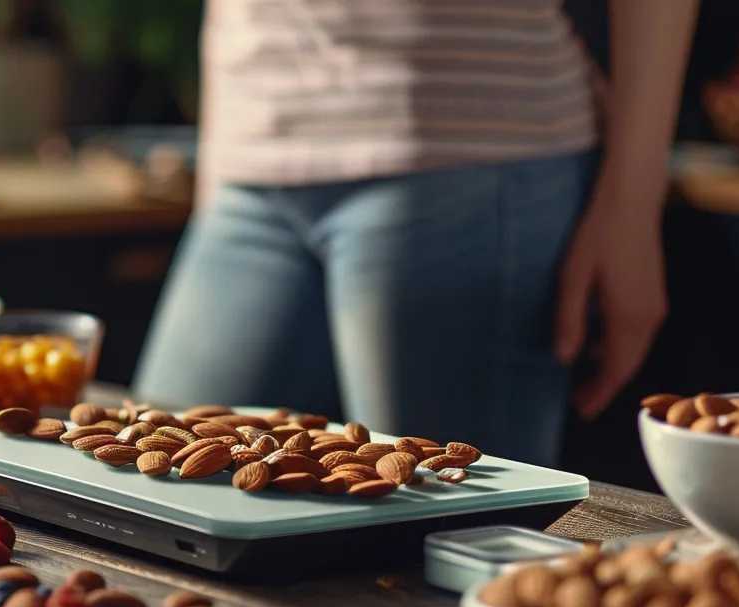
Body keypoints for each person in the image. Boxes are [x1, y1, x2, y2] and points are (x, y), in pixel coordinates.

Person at [133, 1, 699, 467]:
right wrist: (219, 157)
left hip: (471, 149)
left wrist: (632, 202)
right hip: (253, 150)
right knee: (150, 497)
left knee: (444, 545)